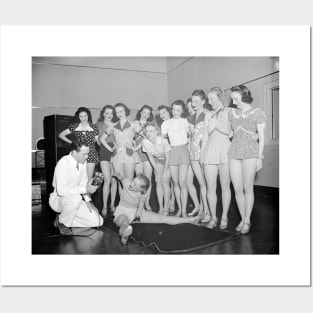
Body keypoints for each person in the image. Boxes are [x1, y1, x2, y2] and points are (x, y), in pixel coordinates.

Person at [112, 173, 201, 245]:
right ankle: (125, 234)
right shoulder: (127, 182)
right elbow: (120, 177)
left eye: (135, 184)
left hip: (136, 212)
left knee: (163, 218)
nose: (132, 184)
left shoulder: (142, 194)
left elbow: (142, 202)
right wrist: (114, 174)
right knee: (124, 223)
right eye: (133, 181)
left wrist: (139, 211)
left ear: (140, 189)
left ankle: (190, 220)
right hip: (122, 211)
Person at [229, 85, 266, 234]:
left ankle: (247, 220)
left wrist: (259, 158)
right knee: (237, 189)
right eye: (232, 99)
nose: (233, 102)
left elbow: (262, 137)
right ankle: (243, 218)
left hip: (251, 152)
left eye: (235, 98)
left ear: (244, 96)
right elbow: (231, 133)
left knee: (247, 188)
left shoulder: (257, 112)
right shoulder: (233, 113)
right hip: (234, 152)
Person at [49, 139, 103, 235]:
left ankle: (63, 218)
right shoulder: (63, 164)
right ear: (74, 152)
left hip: (73, 201)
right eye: (84, 154)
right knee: (76, 198)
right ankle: (63, 223)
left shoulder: (83, 163)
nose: (87, 157)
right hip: (59, 200)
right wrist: (86, 189)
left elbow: (83, 183)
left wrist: (88, 201)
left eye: (88, 153)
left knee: (98, 221)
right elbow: (61, 191)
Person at [200, 87, 232, 229]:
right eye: (208, 99)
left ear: (220, 97)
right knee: (210, 187)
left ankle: (224, 216)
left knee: (225, 186)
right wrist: (202, 155)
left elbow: (236, 131)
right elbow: (205, 137)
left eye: (212, 99)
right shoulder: (208, 115)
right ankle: (213, 217)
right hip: (210, 150)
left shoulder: (230, 111)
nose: (209, 102)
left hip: (225, 149)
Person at [161, 100, 190, 217]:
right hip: (172, 151)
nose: (175, 112)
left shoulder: (186, 121)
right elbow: (163, 140)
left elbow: (192, 136)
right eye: (173, 109)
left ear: (182, 111)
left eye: (178, 110)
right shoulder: (166, 123)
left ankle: (184, 210)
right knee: (176, 182)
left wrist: (187, 144)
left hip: (183, 151)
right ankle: (179, 208)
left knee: (183, 182)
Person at [59, 107, 99, 181]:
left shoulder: (94, 127)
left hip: (91, 154)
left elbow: (96, 140)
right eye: (81, 116)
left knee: (89, 179)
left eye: (85, 116)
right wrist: (72, 143)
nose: (84, 118)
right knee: (77, 178)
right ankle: (78, 192)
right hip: (78, 154)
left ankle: (88, 192)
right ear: (78, 117)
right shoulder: (74, 126)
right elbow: (61, 135)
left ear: (88, 116)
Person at [188, 90, 211, 222]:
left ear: (203, 101)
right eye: (193, 101)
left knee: (207, 184)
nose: (194, 103)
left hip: (204, 152)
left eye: (197, 101)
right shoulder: (191, 117)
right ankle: (203, 210)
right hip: (193, 153)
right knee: (201, 184)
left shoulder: (208, 114)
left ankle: (208, 213)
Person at [103, 103, 138, 180]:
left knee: (129, 180)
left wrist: (136, 147)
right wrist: (111, 149)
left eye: (121, 111)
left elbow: (145, 137)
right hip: (117, 155)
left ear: (125, 111)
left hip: (129, 155)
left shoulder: (133, 124)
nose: (119, 114)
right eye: (117, 112)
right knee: (120, 182)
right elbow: (102, 139)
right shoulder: (113, 125)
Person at [142, 122, 171, 214]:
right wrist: (157, 171)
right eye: (146, 131)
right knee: (158, 180)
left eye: (151, 131)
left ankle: (166, 207)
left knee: (165, 180)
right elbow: (151, 157)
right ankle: (161, 207)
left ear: (157, 132)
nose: (148, 133)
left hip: (169, 160)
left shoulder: (163, 141)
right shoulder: (145, 142)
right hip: (158, 160)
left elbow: (168, 158)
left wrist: (165, 171)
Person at [133, 105, 154, 211]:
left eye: (148, 113)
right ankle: (138, 203)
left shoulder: (151, 125)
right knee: (139, 179)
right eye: (144, 112)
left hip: (148, 152)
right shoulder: (134, 123)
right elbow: (135, 132)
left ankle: (147, 202)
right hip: (137, 152)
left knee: (148, 179)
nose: (146, 115)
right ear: (140, 112)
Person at [98, 105, 118, 217]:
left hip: (114, 151)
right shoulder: (99, 125)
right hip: (104, 150)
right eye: (107, 113)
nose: (110, 115)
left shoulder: (115, 125)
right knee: (107, 179)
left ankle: (112, 205)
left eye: (111, 113)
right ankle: (104, 206)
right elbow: (98, 141)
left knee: (114, 180)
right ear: (103, 114)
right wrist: (105, 148)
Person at [185, 98, 202, 216]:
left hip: (199, 152)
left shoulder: (203, 116)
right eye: (188, 108)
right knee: (187, 181)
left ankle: (204, 209)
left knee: (202, 183)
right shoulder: (187, 119)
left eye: (192, 107)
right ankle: (197, 205)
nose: (190, 109)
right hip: (188, 153)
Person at [157, 105, 175, 213]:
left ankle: (172, 202)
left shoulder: (175, 122)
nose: (162, 115)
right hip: (165, 154)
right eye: (160, 114)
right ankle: (166, 205)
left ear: (169, 112)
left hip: (174, 152)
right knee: (166, 179)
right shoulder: (163, 125)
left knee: (174, 180)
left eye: (164, 113)